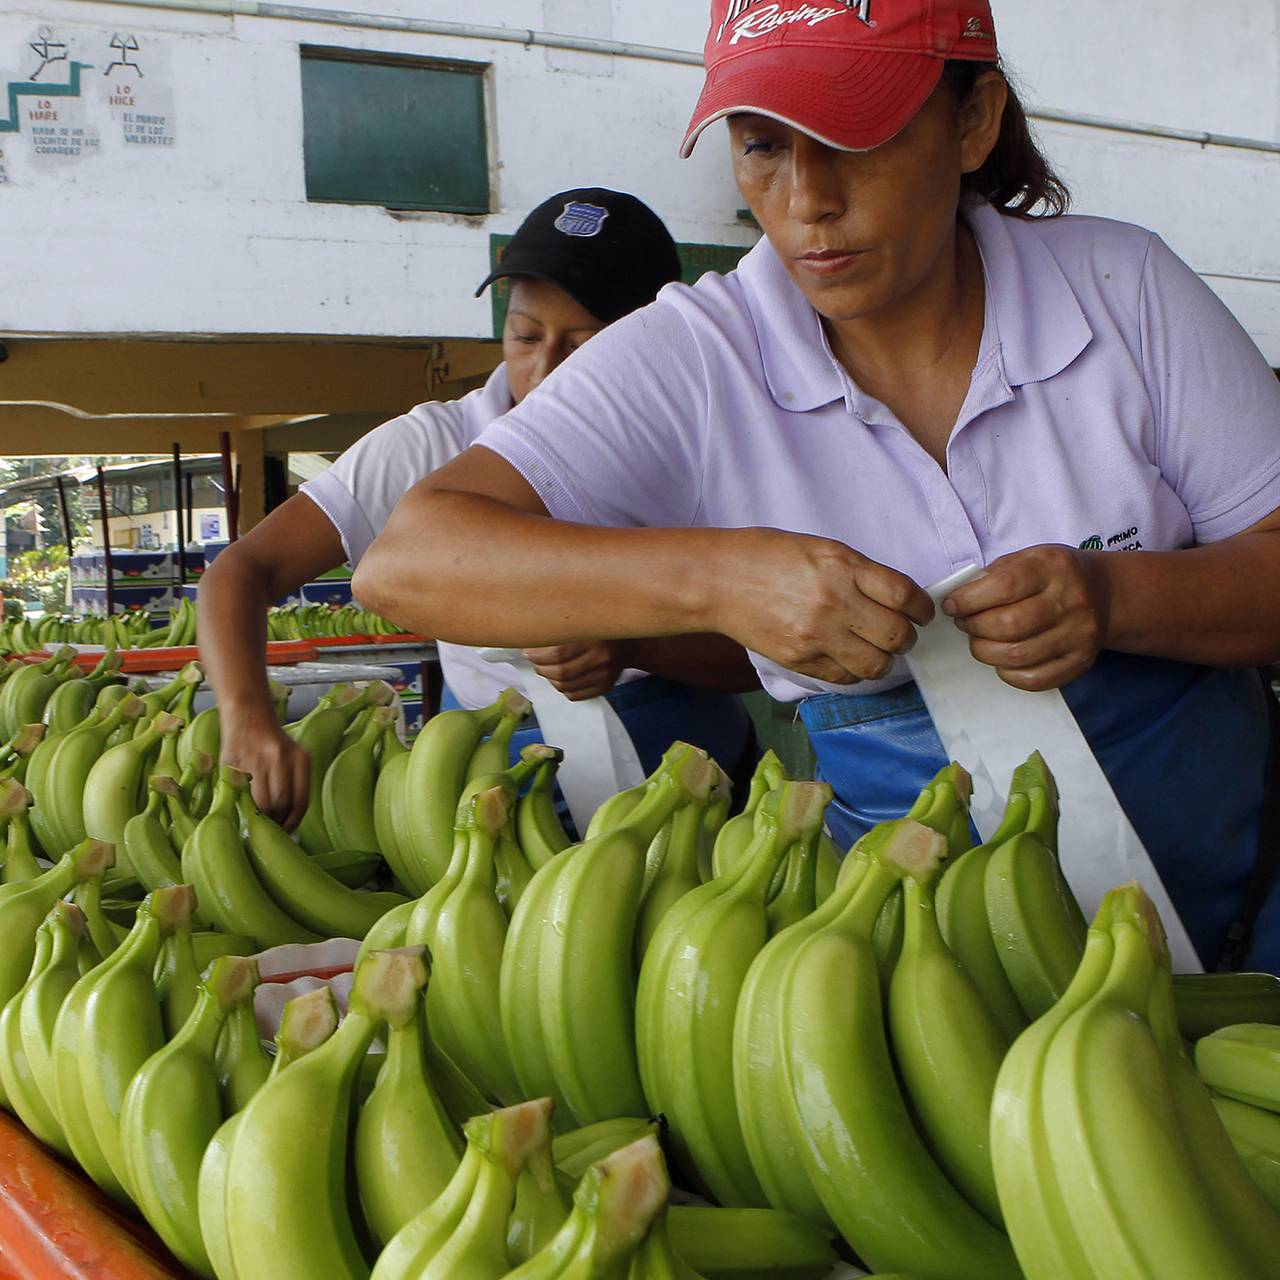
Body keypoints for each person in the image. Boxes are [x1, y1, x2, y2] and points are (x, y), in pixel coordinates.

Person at [353, 0, 1280, 973]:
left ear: (971, 121)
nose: (806, 200)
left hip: (1246, 910)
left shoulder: (1118, 288)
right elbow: (409, 560)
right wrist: (719, 581)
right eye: (760, 147)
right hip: (933, 977)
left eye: (855, 136)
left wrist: (1109, 595)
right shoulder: (698, 356)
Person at [198, 187, 759, 831]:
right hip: (490, 786)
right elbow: (241, 572)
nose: (544, 368)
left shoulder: (706, 447)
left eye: (584, 343)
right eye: (525, 336)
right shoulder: (434, 445)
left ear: (649, 342)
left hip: (692, 772)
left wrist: (639, 645)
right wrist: (246, 717)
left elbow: (763, 654)